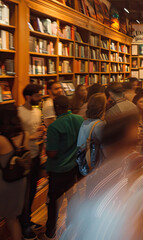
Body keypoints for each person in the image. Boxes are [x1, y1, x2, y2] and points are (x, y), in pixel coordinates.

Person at [41, 96, 83, 239]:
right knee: (72, 200)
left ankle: (50, 233)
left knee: (53, 203)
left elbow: (52, 153)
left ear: (57, 108)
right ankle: (70, 228)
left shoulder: (54, 126)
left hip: (58, 170)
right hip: (73, 168)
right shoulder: (79, 119)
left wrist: (46, 147)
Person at [17, 84, 45, 238]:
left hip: (36, 156)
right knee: (25, 193)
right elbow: (17, 136)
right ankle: (24, 224)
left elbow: (36, 128)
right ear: (28, 96)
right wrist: (33, 136)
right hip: (24, 158)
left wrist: (41, 130)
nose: (39, 98)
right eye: (37, 95)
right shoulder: (19, 112)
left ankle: (28, 219)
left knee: (32, 190)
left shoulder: (37, 110)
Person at [0, 104, 29, 240]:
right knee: (12, 218)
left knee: (8, 216)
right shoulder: (25, 135)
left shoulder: (1, 140)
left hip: (4, 182)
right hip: (20, 181)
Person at [76, 93, 106, 176]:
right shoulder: (100, 125)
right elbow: (106, 150)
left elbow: (80, 145)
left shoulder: (85, 123)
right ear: (102, 108)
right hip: (98, 168)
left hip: (86, 166)